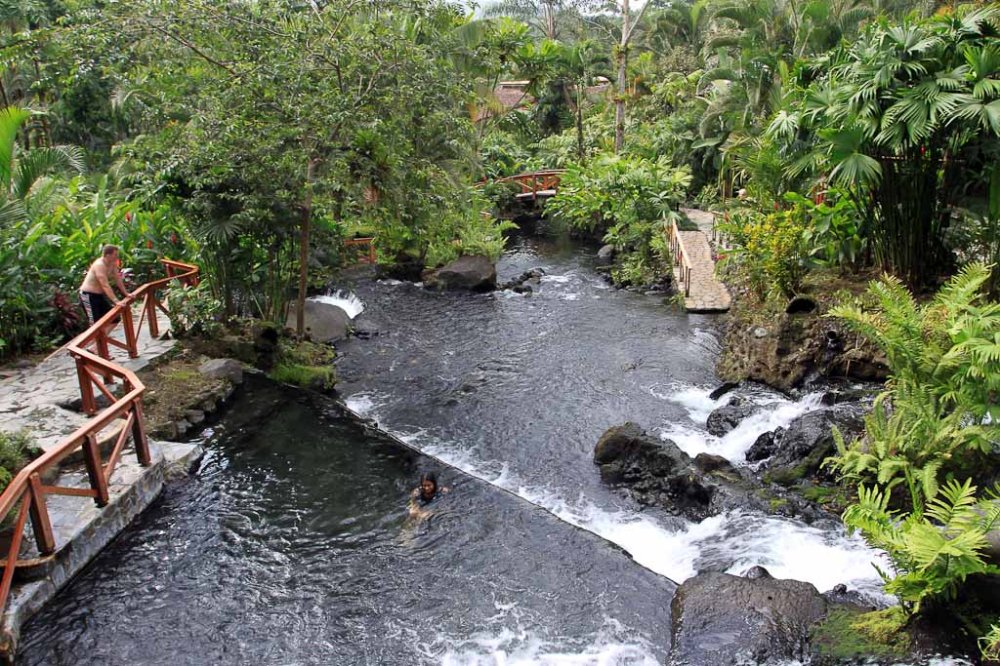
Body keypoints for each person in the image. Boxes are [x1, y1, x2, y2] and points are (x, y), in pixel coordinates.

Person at [79, 245, 132, 327]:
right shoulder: (99, 265)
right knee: (94, 323)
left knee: (115, 319)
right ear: (108, 255)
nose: (117, 257)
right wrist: (116, 301)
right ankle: (97, 339)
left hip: (99, 295)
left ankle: (101, 339)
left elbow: (118, 279)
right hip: (87, 295)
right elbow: (105, 285)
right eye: (115, 255)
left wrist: (126, 293)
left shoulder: (112, 263)